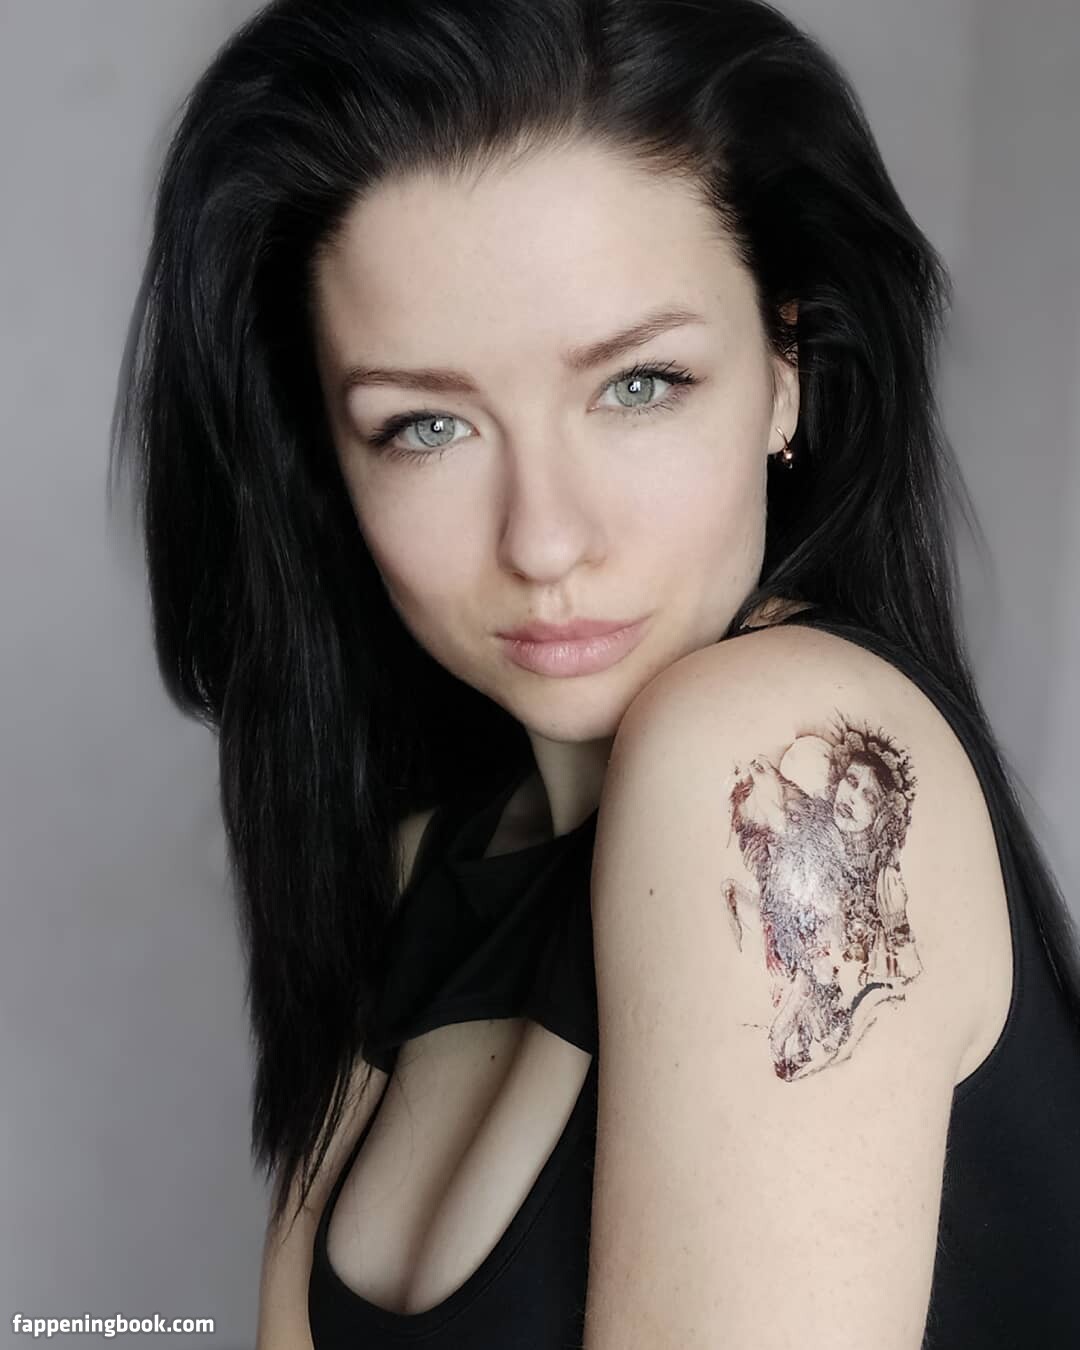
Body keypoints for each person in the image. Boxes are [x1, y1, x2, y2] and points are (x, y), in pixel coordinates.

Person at [108, 1, 1080, 1346]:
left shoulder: (777, 755)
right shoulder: (422, 861)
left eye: (637, 385)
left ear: (786, 370)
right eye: (426, 425)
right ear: (327, 457)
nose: (545, 540)